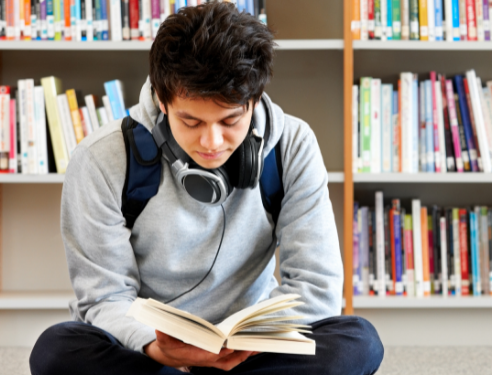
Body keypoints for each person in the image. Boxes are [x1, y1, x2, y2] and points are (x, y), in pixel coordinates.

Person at [29, 2, 384, 374]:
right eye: (191, 120)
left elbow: (316, 285)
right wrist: (155, 346)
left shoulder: (292, 145)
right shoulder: (100, 159)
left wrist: (247, 344)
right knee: (56, 350)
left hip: (254, 348)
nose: (212, 141)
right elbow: (105, 297)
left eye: (231, 119)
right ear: (163, 102)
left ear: (255, 100)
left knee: (357, 341)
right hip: (150, 349)